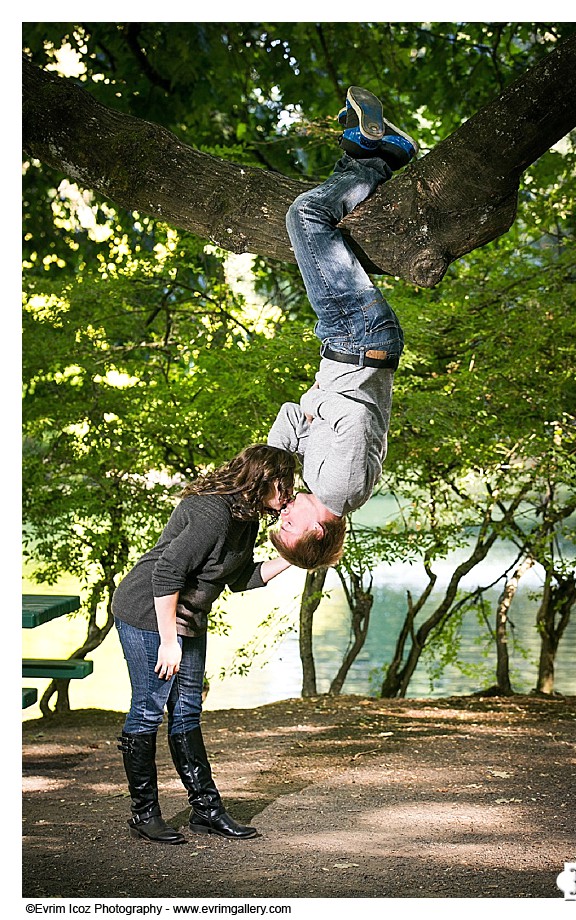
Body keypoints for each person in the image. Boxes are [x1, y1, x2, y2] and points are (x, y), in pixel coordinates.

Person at [112, 444, 296, 845]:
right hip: (148, 612)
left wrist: (295, 556)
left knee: (188, 712)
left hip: (187, 618)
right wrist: (167, 641)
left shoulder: (244, 517)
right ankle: (144, 814)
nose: (290, 494)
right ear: (264, 479)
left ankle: (207, 812)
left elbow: (239, 577)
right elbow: (166, 573)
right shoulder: (212, 513)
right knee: (148, 711)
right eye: (285, 484)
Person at [267, 86, 419, 570]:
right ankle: (369, 159)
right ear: (317, 531)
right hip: (357, 338)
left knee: (315, 225)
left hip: (349, 342)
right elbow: (349, 417)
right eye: (288, 525)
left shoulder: (320, 480)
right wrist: (317, 407)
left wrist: (273, 463)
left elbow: (293, 414)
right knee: (306, 216)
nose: (284, 514)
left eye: (277, 519)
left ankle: (381, 153)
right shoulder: (341, 488)